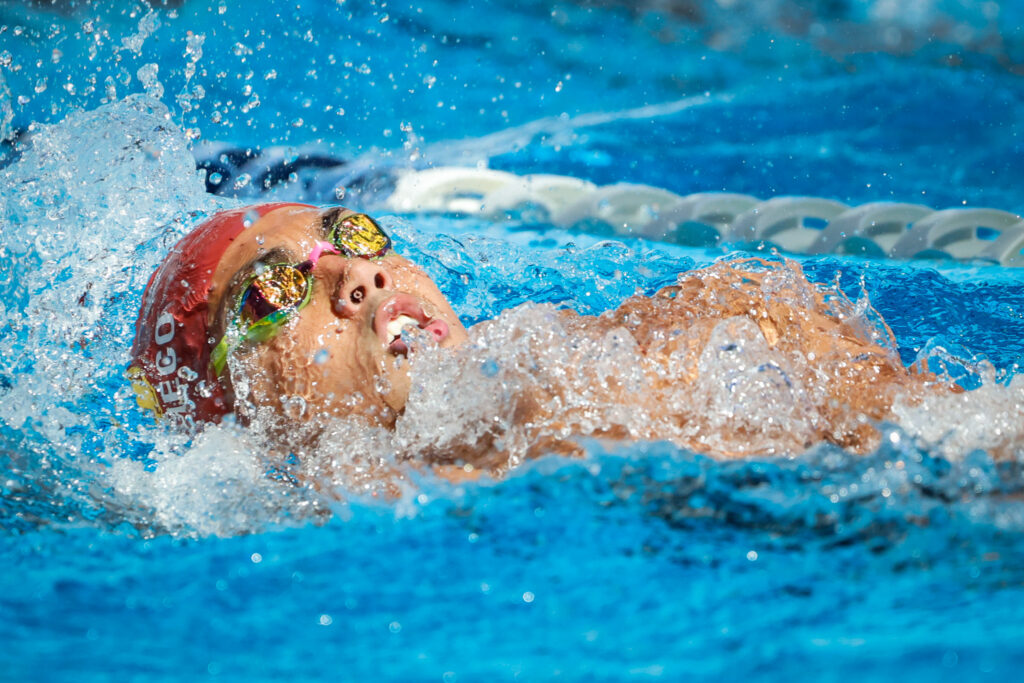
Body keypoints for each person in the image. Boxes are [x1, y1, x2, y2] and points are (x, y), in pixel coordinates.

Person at [128, 203, 941, 481]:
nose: (356, 276)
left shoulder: (582, 343)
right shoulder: (352, 503)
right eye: (277, 290)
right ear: (239, 409)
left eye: (350, 232)